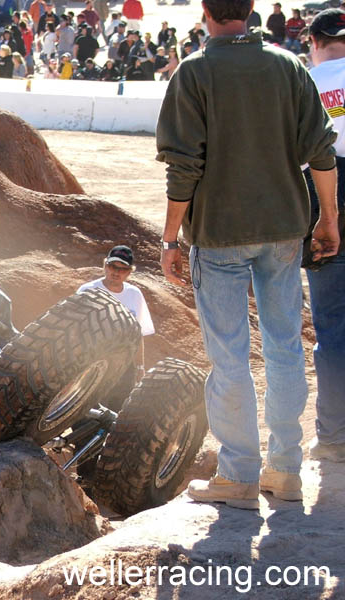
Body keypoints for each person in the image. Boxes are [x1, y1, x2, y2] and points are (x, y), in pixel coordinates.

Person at [157, 0, 338, 509]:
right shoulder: (287, 65)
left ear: (205, 13)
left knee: (230, 356)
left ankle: (237, 476)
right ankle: (285, 472)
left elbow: (182, 168)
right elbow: (321, 151)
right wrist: (328, 217)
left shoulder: (194, 73)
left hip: (218, 234)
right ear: (252, 9)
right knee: (284, 348)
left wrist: (171, 238)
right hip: (283, 227)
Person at [304, 8, 345, 462]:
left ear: (313, 41)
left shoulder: (308, 84)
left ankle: (334, 436)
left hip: (325, 198)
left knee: (332, 326)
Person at [79, 246, 155, 375]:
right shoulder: (87, 290)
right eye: (112, 266)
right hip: (87, 360)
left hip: (122, 366)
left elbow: (138, 335)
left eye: (122, 269)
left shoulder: (134, 294)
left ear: (129, 272)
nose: (116, 272)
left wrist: (140, 368)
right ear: (105, 266)